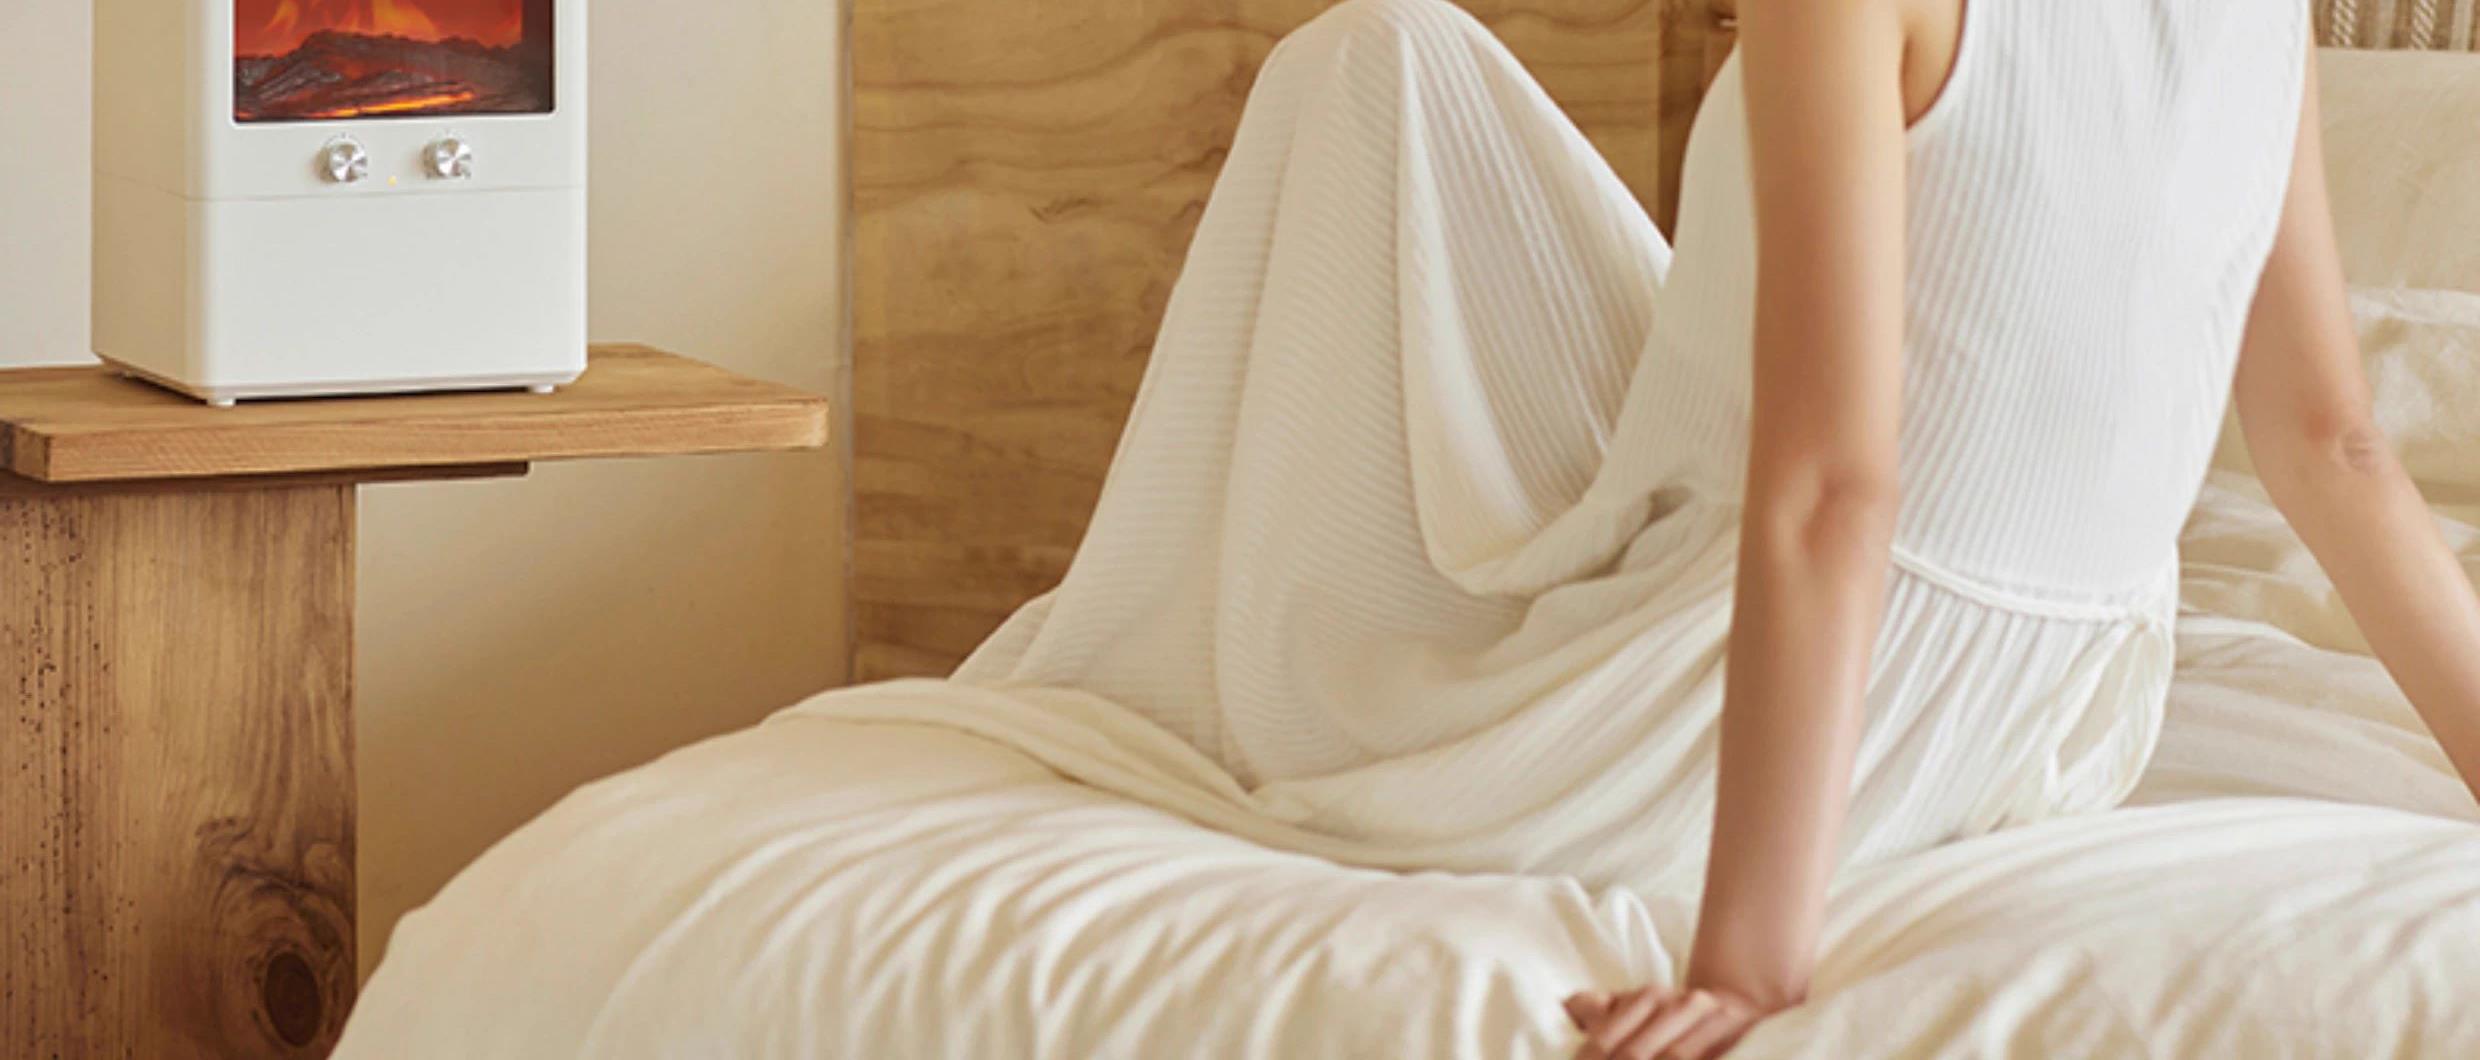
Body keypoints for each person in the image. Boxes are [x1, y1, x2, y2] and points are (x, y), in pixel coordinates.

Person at [932, 0, 2480, 1056]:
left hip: (1772, 707)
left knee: (1365, 59)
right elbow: (2336, 444)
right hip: (2058, 724)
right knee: (1397, 55)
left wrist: (1749, 972)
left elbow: (1835, 489)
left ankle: (1224, 615)